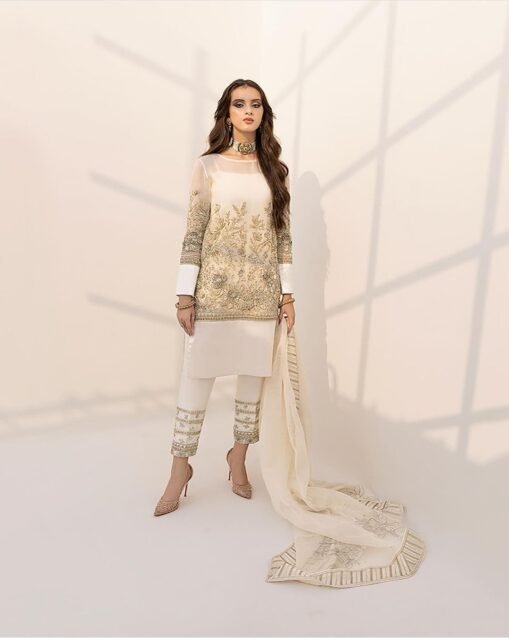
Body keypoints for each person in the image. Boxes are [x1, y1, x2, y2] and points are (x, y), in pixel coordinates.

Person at [154, 79, 295, 516]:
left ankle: (238, 458)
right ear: (227, 113)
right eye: (239, 104)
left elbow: (283, 237)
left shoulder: (275, 170)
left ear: (263, 113)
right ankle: (180, 469)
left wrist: (288, 294)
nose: (248, 110)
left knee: (252, 382)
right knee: (196, 379)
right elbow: (194, 232)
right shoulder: (208, 166)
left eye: (256, 104)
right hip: (213, 293)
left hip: (261, 295)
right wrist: (184, 295)